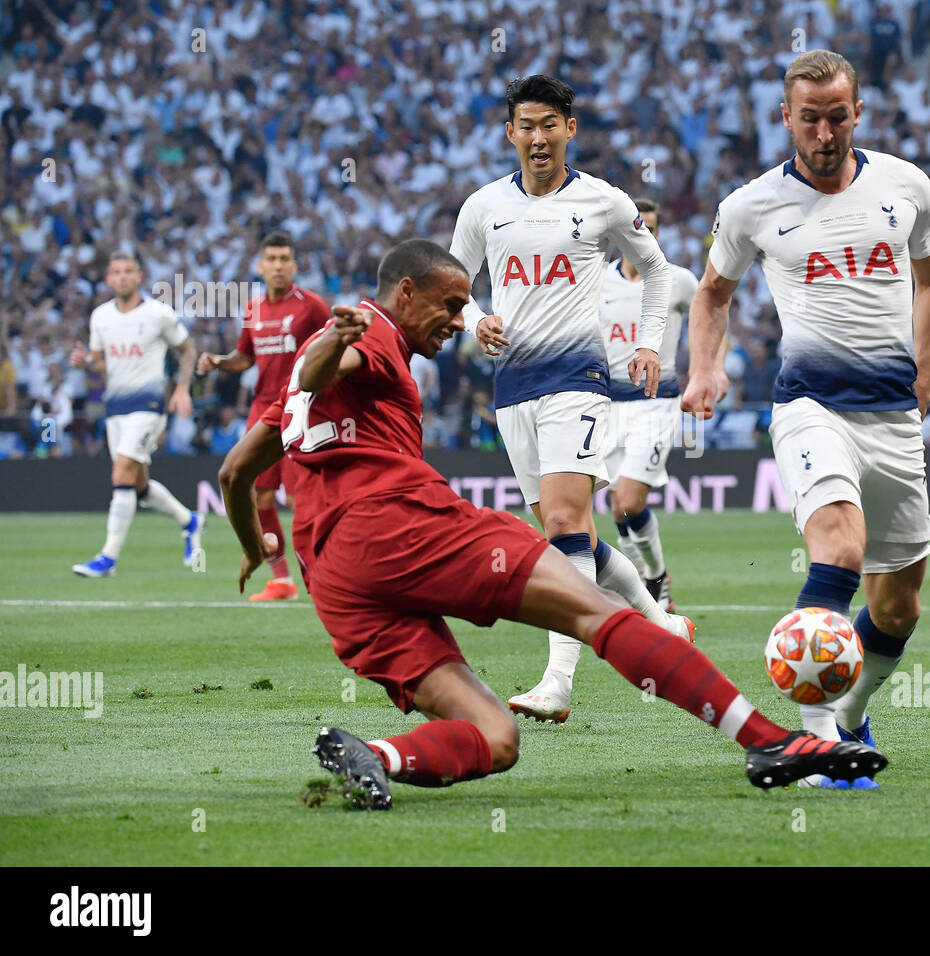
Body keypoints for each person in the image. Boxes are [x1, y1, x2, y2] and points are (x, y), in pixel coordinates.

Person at [218, 238, 883, 808]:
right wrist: (336, 341)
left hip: (336, 582)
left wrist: (256, 547)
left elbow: (236, 474)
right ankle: (767, 742)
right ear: (405, 290)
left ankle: (377, 758)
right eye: (451, 304)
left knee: (494, 738)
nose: (458, 322)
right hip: (397, 525)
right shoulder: (373, 335)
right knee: (595, 610)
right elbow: (330, 363)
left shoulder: (303, 392)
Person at [682, 50, 930, 789]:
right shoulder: (750, 207)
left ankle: (852, 716)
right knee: (837, 548)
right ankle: (813, 741)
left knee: (897, 605)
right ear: (786, 118)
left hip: (893, 415)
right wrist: (706, 368)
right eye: (810, 118)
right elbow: (711, 293)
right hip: (809, 406)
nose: (824, 132)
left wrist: (925, 378)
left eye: (837, 116)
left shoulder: (906, 186)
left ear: (857, 113)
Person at [449, 75, 693, 725]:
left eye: (549, 124)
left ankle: (558, 681)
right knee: (571, 532)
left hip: (580, 382)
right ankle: (657, 618)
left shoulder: (604, 202)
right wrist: (475, 323)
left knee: (561, 525)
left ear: (569, 130)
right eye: (526, 126)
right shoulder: (483, 208)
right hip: (513, 389)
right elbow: (455, 286)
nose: (537, 137)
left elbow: (659, 270)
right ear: (510, 133)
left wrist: (648, 344)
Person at [599, 197, 725, 611]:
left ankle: (653, 582)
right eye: (638, 228)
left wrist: (713, 368)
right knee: (618, 511)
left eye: (652, 229)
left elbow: (713, 314)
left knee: (632, 501)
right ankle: (648, 579)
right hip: (606, 406)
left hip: (656, 403)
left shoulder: (678, 280)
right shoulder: (599, 281)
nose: (645, 236)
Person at [197, 231, 331, 601]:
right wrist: (220, 363)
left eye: (284, 258)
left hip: (302, 409)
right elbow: (245, 358)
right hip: (262, 410)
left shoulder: (312, 306)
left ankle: (322, 577)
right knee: (260, 495)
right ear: (260, 265)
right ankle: (282, 580)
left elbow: (333, 351)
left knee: (304, 501)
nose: (278, 265)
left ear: (294, 265)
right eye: (271, 259)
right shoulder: (253, 308)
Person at [69, 251, 203, 577]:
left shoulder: (159, 314)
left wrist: (182, 389)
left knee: (122, 471)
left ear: (139, 276)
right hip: (116, 408)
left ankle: (107, 558)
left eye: (129, 271)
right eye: (116, 271)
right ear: (108, 279)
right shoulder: (100, 316)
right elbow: (101, 363)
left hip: (150, 405)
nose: (123, 276)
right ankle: (190, 520)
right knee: (137, 484)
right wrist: (86, 363)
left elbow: (187, 350)